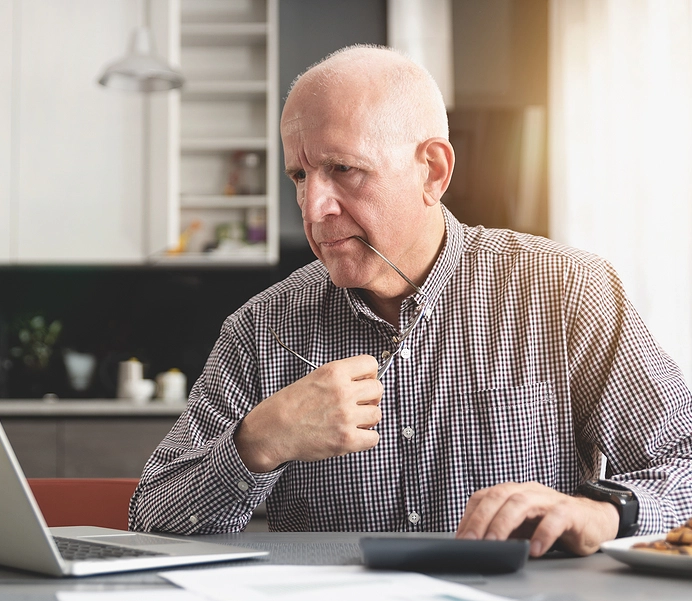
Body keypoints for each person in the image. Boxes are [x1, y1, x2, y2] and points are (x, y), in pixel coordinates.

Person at [128, 45, 692, 557]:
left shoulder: (569, 290)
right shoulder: (261, 328)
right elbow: (151, 518)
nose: (313, 204)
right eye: (300, 175)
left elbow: (683, 466)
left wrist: (604, 510)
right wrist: (256, 443)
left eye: (343, 169)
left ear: (434, 171)